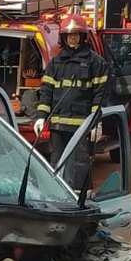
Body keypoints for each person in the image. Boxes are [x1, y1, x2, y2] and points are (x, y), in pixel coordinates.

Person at [33, 13, 108, 189]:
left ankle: (79, 200)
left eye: (76, 35)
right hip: (58, 126)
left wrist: (96, 123)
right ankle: (58, 196)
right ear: (64, 37)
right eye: (69, 35)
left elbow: (100, 95)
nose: (72, 39)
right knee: (57, 163)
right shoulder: (55, 63)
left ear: (83, 37)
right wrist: (41, 116)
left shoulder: (96, 63)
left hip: (82, 126)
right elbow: (46, 92)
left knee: (80, 164)